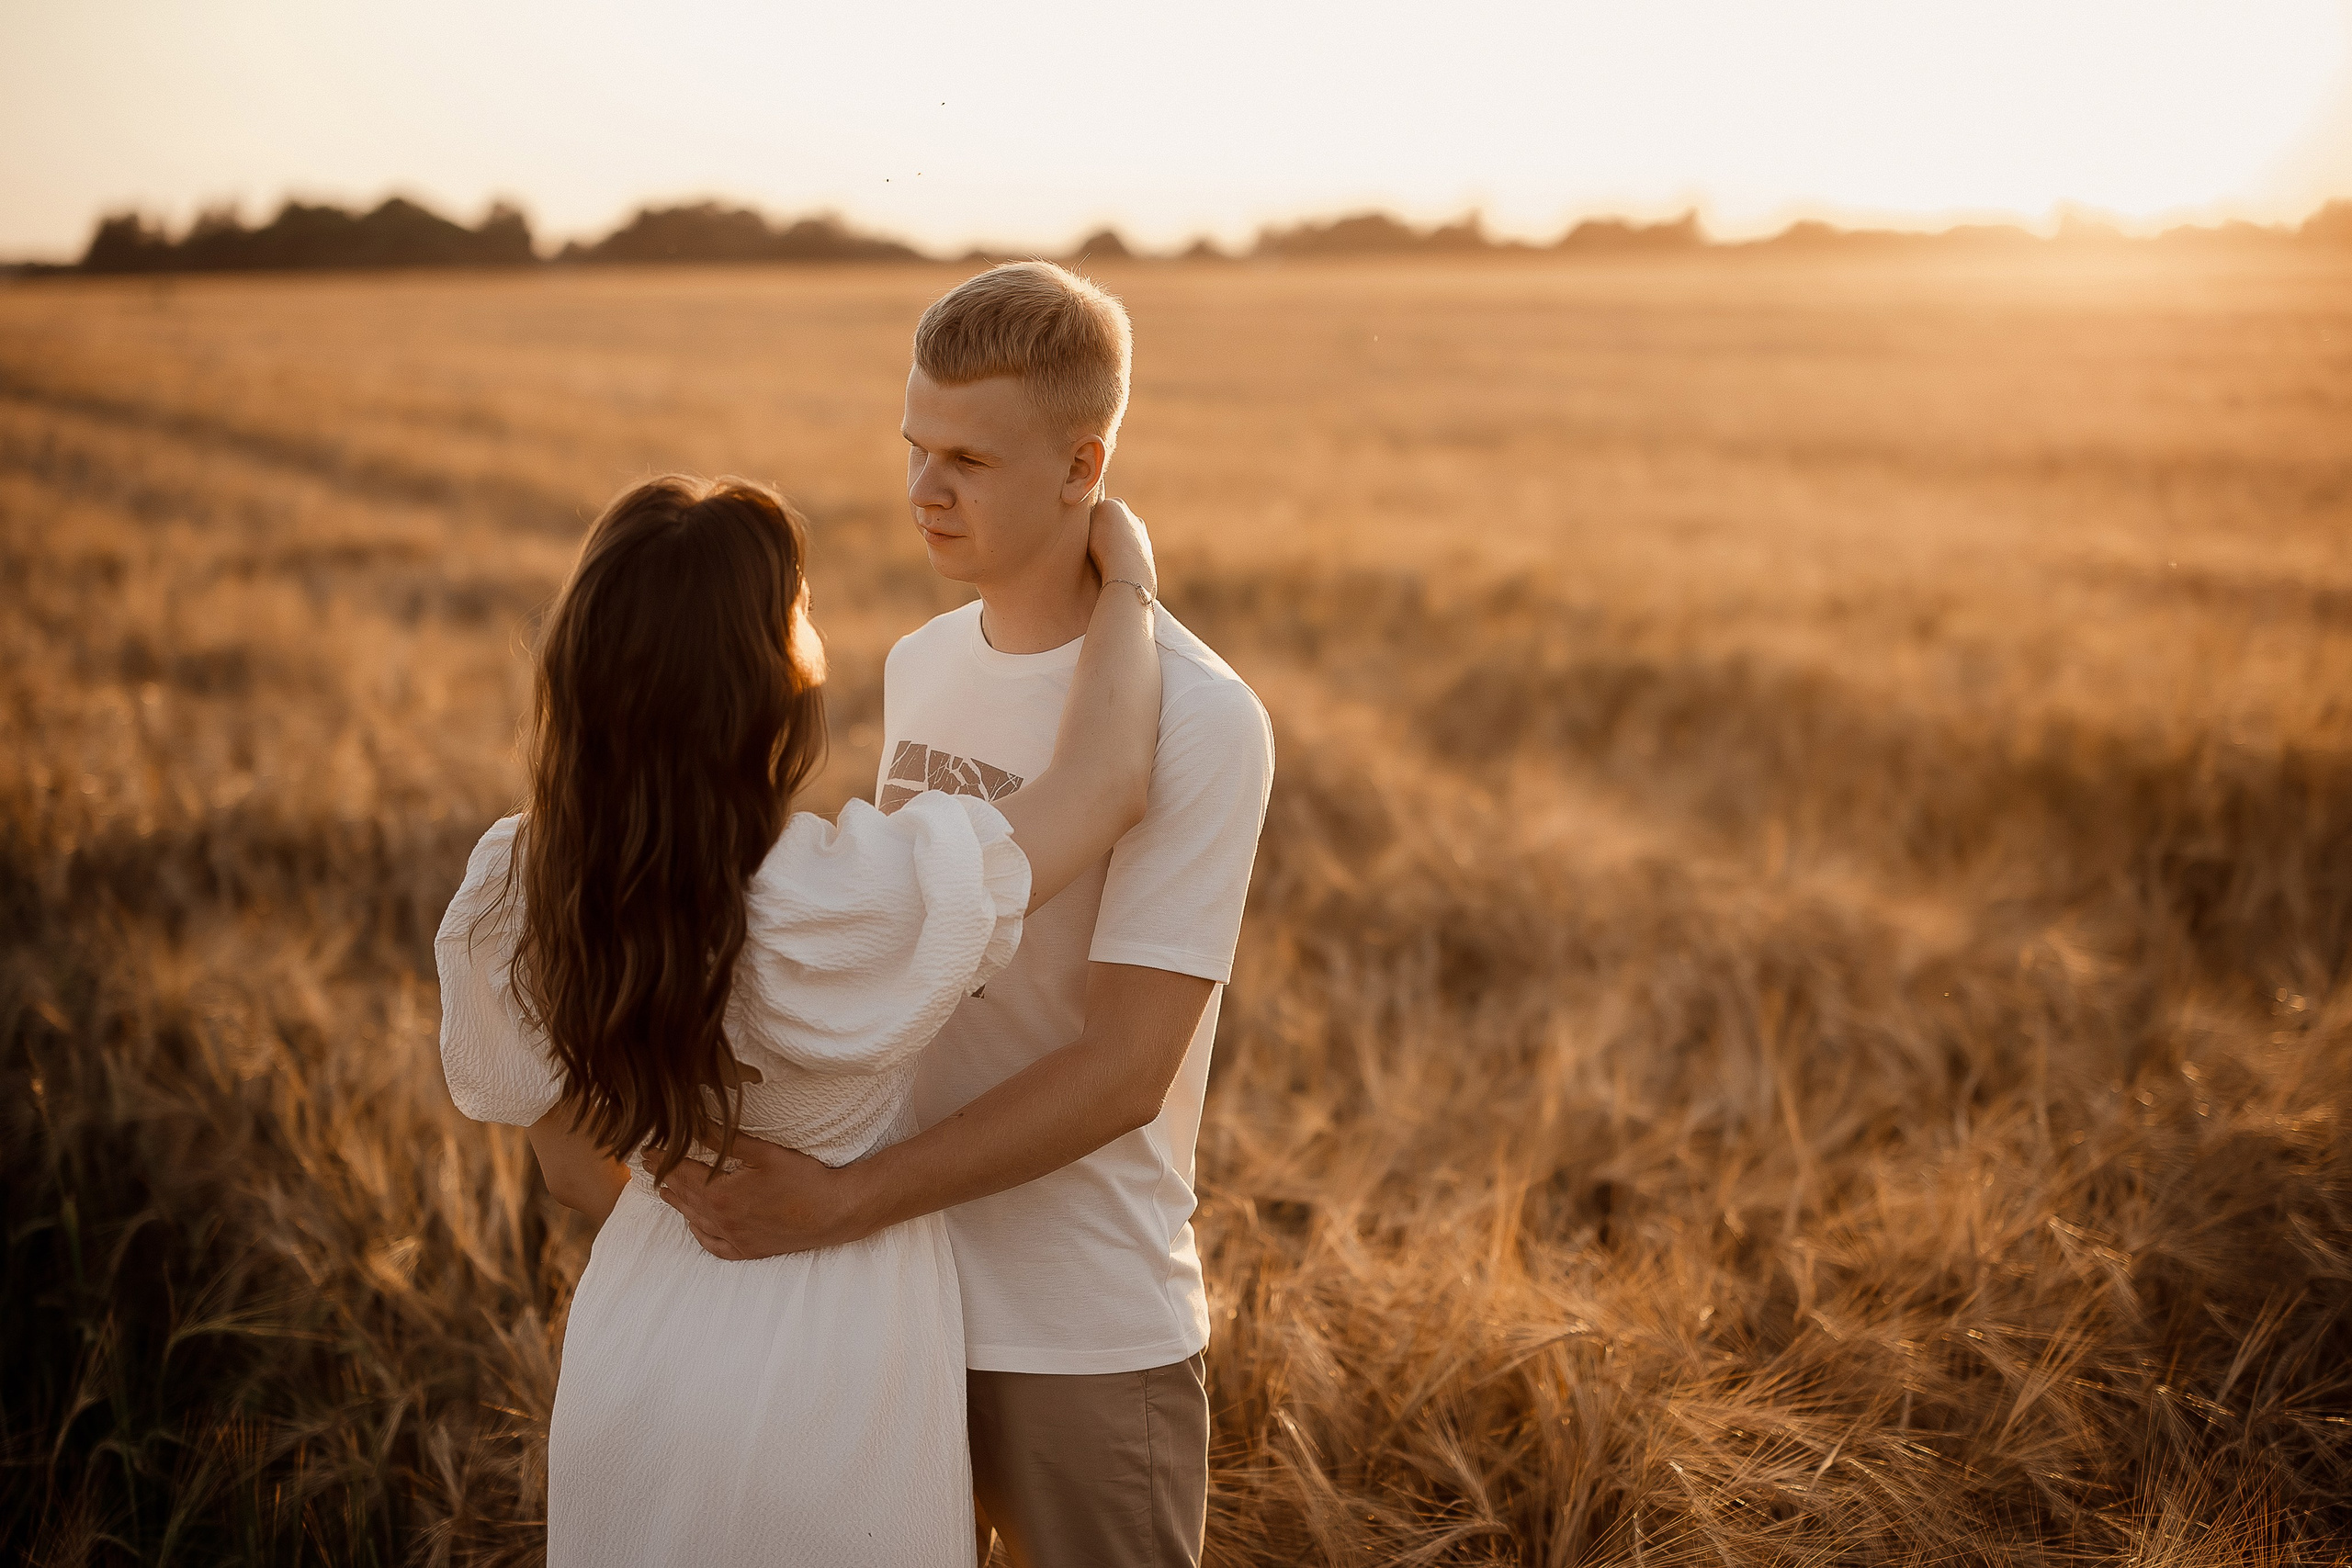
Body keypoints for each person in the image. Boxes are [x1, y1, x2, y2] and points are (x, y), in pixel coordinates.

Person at [655, 263, 1276, 1568]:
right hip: (892, 1305)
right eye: (916, 447)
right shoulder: (923, 662)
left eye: (970, 460)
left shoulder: (1204, 718)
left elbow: (1123, 1069)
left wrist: (845, 1200)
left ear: (1082, 465)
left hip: (1078, 1326)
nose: (923, 490)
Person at [435, 473, 1165, 1567]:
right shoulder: (837, 899)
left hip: (638, 1344)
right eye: (799, 611)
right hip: (835, 1354)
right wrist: (1131, 580)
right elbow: (1106, 783)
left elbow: (574, 1171)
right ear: (767, 680)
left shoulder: (519, 881)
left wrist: (700, 1202)